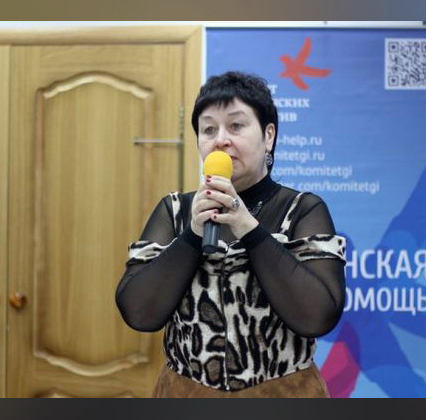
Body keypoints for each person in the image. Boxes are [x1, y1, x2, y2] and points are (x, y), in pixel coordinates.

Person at [115, 71, 346, 398]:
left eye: (236, 125)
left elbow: (318, 316)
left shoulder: (302, 209)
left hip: (283, 393)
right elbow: (138, 312)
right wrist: (192, 235)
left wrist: (248, 229)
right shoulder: (175, 211)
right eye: (209, 129)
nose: (221, 139)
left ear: (268, 136)